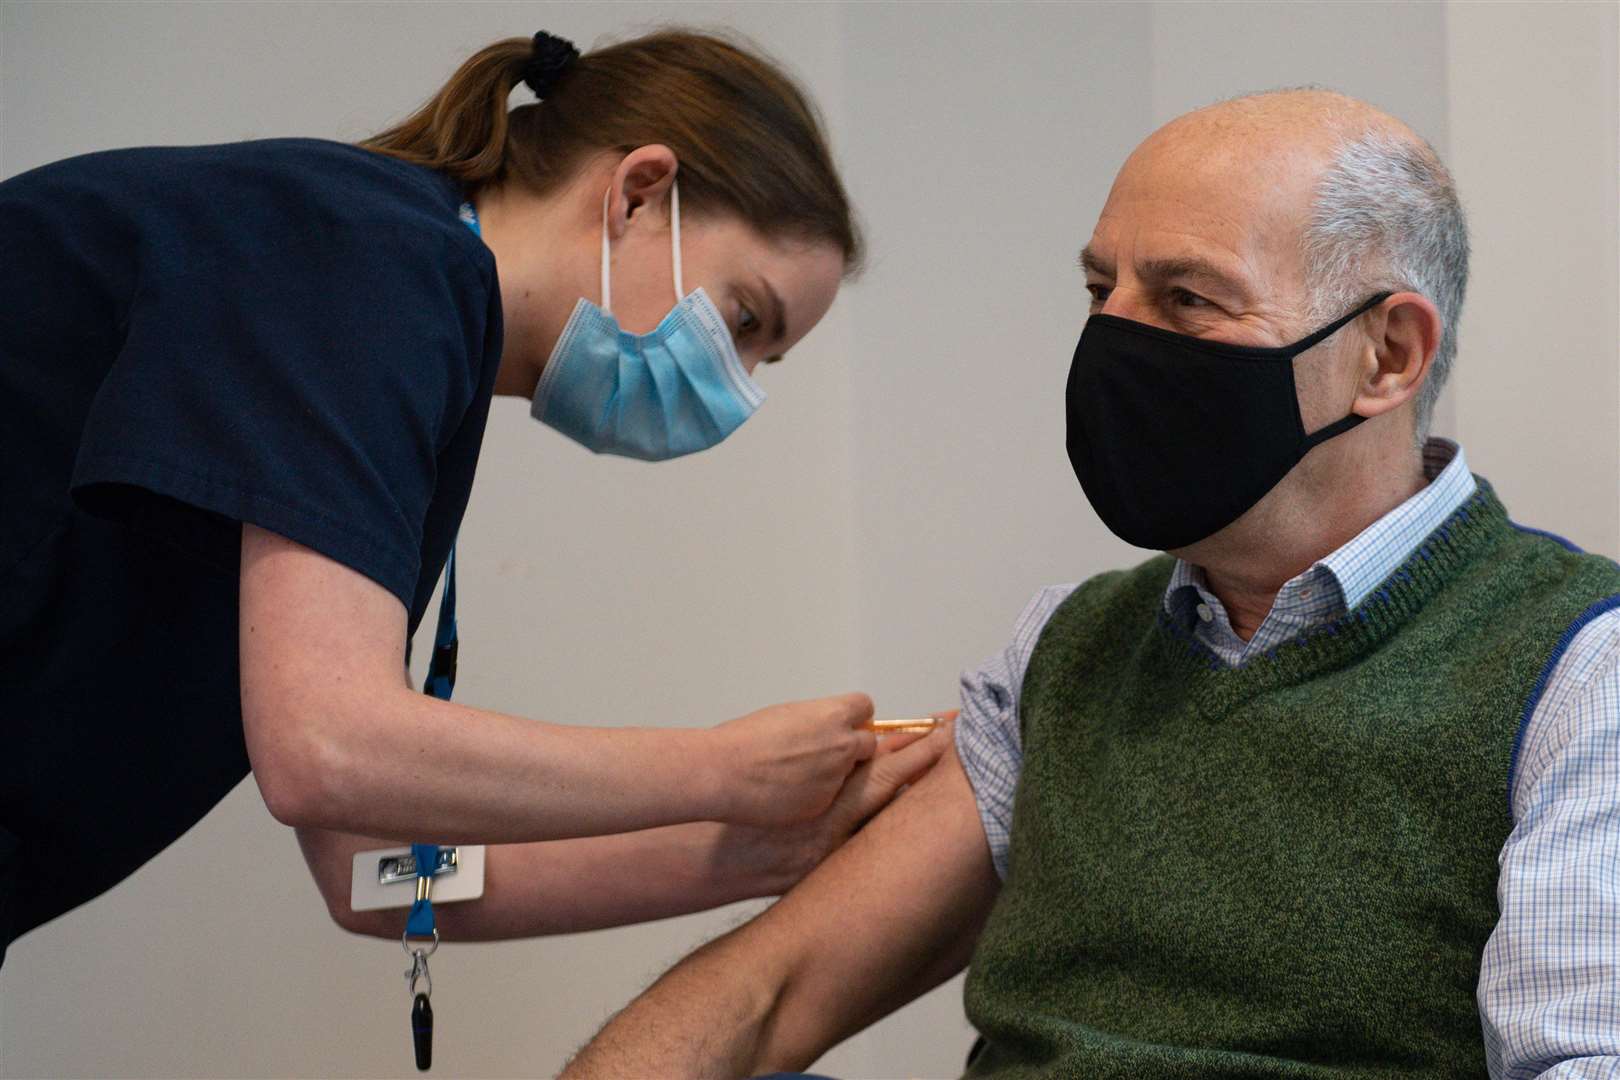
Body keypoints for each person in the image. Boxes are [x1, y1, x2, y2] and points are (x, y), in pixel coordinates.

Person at [561, 89, 1620, 1079]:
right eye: (1098, 288)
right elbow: (770, 989)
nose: (1112, 338)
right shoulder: (1074, 649)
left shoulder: (1578, 670)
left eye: (1188, 298)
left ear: (1386, 356)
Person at [0, 29, 948, 967]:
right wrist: (724, 772)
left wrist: (778, 850)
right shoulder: (370, 261)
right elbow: (326, 747)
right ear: (640, 192)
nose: (731, 385)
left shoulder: (401, 337)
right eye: (745, 319)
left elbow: (372, 874)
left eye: (760, 360)